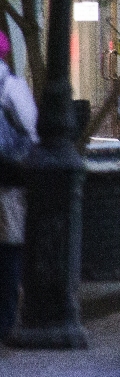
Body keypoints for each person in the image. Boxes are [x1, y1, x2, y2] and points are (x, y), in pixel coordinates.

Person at [0, 31, 37, 338]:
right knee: (10, 248)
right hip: (7, 181)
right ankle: (6, 319)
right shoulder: (11, 87)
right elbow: (33, 130)